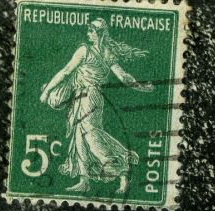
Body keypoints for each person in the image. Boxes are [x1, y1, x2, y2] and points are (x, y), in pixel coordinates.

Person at [39, 18, 152, 194]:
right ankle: (85, 181)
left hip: (87, 97)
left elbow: (66, 71)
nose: (88, 33)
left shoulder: (84, 50)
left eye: (91, 30)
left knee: (91, 136)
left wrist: (47, 91)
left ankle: (120, 165)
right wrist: (140, 86)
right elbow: (124, 77)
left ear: (99, 33)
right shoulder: (107, 53)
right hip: (91, 97)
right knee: (80, 137)